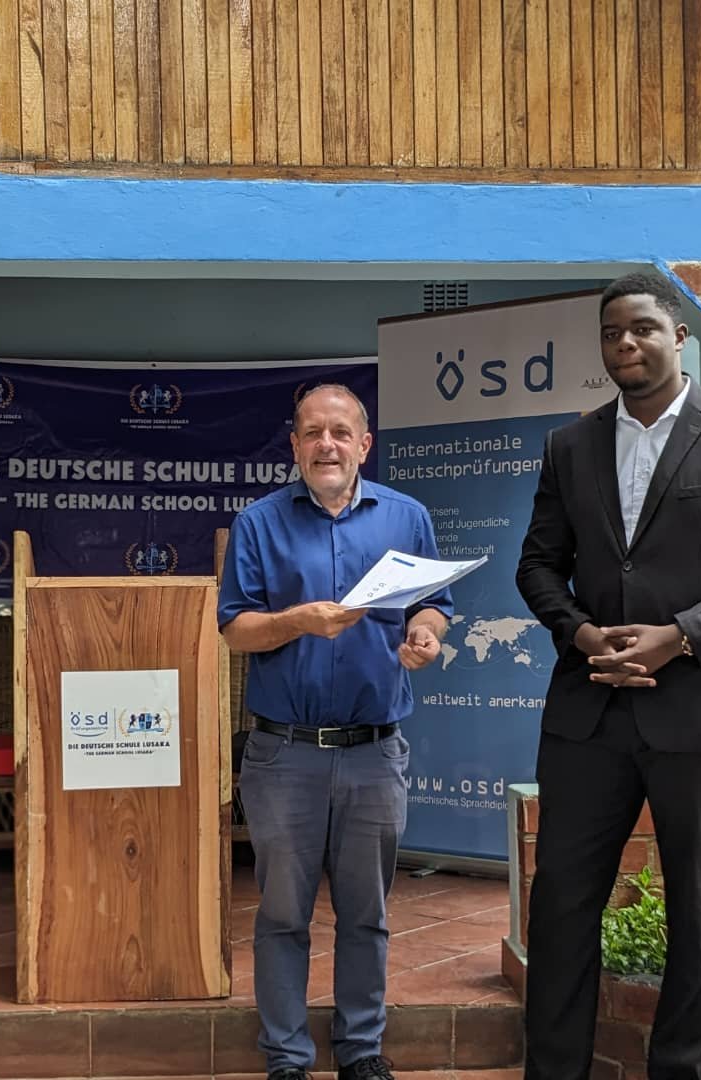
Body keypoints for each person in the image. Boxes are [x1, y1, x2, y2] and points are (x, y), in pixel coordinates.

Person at [516, 272, 701, 1080]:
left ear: (679, 336)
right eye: (612, 332)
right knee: (561, 907)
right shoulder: (569, 446)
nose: (626, 344)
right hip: (588, 714)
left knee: (699, 912)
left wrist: (681, 637)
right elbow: (538, 567)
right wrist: (581, 633)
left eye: (643, 328)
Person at [219, 383, 452, 1080]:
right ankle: (287, 1058)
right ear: (294, 445)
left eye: (340, 432)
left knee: (366, 912)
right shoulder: (258, 523)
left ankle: (360, 1051)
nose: (327, 444)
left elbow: (435, 603)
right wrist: (299, 620)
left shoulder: (407, 517)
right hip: (283, 754)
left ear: (363, 444)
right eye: (313, 432)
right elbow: (235, 630)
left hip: (374, 752)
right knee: (282, 914)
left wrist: (425, 633)